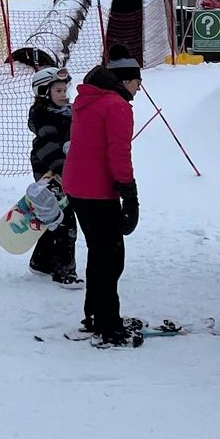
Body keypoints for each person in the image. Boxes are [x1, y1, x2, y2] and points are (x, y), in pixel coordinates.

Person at [60, 55, 142, 346]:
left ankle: (95, 314)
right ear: (124, 81)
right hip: (97, 191)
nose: (139, 88)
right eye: (136, 81)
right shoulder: (116, 106)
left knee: (98, 252)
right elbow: (118, 153)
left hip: (77, 188)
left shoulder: (90, 100)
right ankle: (109, 326)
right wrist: (130, 195)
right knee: (110, 257)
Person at [26, 65, 78, 284]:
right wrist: (60, 170)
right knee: (66, 222)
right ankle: (64, 272)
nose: (63, 95)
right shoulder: (45, 117)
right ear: (44, 93)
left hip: (65, 172)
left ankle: (42, 261)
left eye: (64, 90)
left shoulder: (66, 114)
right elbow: (48, 148)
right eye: (58, 91)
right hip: (51, 175)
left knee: (55, 217)